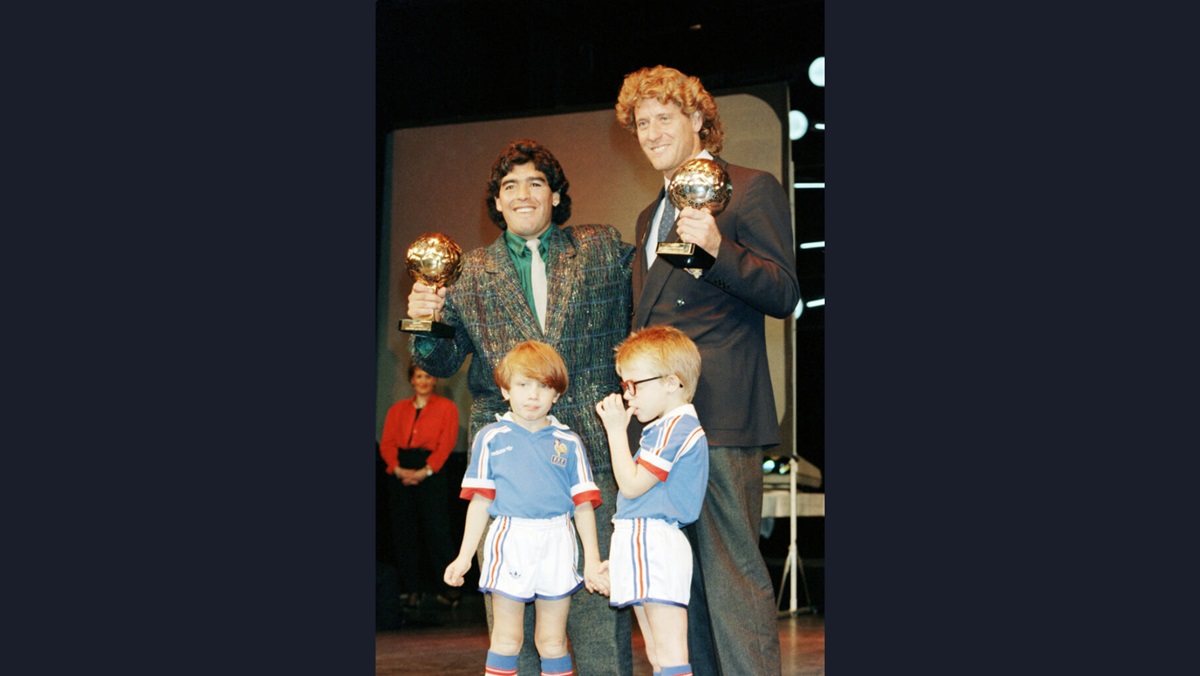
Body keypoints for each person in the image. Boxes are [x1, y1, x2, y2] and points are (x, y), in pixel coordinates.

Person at [407, 139, 635, 674]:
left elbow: (645, 308)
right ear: (498, 202)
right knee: (513, 633)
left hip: (592, 455)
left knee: (598, 614)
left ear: (555, 195)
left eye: (535, 183)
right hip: (506, 468)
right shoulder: (467, 270)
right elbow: (439, 362)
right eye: (510, 186)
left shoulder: (600, 245)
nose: (523, 194)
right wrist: (423, 317)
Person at [614, 65, 802, 675]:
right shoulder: (649, 216)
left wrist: (721, 251)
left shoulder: (750, 189)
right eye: (641, 123)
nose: (650, 132)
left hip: (719, 418)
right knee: (679, 586)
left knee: (733, 581)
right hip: (659, 427)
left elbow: (783, 293)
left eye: (664, 117)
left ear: (699, 119)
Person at [445, 340, 609, 676]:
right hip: (511, 538)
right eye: (523, 385)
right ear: (506, 390)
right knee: (507, 639)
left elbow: (582, 507)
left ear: (557, 395)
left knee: (551, 641)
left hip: (557, 541)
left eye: (543, 386)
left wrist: (591, 559)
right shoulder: (490, 438)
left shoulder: (570, 443)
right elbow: (480, 503)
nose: (533, 396)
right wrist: (463, 557)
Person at [595, 325, 708, 676]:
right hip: (641, 538)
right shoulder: (665, 426)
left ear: (672, 382)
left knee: (670, 653)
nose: (627, 395)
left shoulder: (675, 426)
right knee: (659, 654)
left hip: (654, 541)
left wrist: (615, 431)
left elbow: (630, 487)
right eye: (624, 385)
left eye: (634, 384)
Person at [379, 362, 462, 609]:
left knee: (437, 532)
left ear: (434, 380)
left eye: (428, 376)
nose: (423, 380)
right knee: (405, 534)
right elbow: (387, 443)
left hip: (432, 471)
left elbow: (446, 444)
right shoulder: (397, 410)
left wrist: (425, 471)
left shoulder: (447, 408)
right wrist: (397, 469)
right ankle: (412, 590)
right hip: (401, 471)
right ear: (412, 380)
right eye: (418, 376)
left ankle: (449, 590)